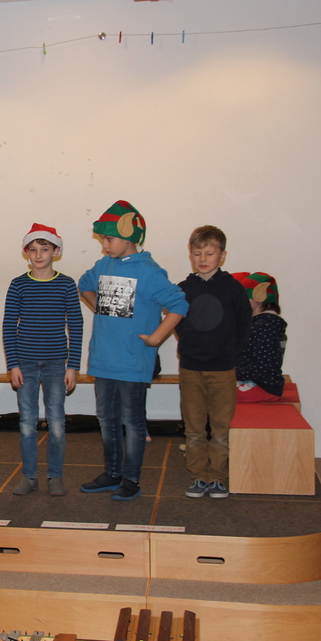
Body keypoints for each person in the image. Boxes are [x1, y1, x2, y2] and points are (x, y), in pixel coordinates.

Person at [77, 201, 188, 501]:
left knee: (133, 422)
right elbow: (84, 284)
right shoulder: (103, 266)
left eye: (108, 239)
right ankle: (112, 473)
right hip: (103, 358)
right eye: (102, 239)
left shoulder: (149, 272)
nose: (104, 245)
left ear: (128, 236)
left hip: (132, 361)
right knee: (106, 419)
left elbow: (179, 304)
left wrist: (156, 338)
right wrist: (102, 308)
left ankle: (132, 479)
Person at [3, 224, 83, 497]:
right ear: (26, 252)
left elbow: (76, 325)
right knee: (27, 423)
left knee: (57, 422)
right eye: (33, 249)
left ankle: (55, 476)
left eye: (44, 249)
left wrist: (73, 366)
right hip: (24, 363)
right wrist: (12, 364)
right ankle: (29, 477)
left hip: (56, 364)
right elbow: (8, 326)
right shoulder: (18, 284)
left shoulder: (66, 284)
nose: (38, 255)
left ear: (56, 252)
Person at [176, 227, 251, 500]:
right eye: (197, 253)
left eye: (209, 253)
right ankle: (198, 476)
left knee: (220, 428)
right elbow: (177, 322)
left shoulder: (233, 289)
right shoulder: (183, 289)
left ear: (222, 255)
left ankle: (217, 477)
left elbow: (244, 324)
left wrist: (230, 354)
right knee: (194, 428)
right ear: (191, 255)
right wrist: (189, 346)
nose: (202, 259)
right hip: (191, 368)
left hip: (222, 369)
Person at [234, 272, 287, 403]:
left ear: (260, 297)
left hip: (261, 386)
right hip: (253, 382)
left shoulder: (263, 326)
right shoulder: (259, 324)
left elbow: (261, 366)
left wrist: (229, 374)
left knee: (213, 393)